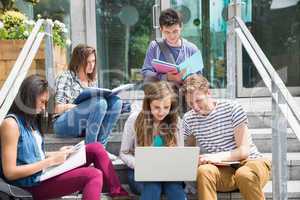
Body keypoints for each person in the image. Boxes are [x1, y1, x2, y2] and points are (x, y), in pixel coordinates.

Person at [0, 75, 129, 200]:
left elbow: (31, 155)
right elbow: (10, 172)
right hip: (31, 185)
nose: (44, 108)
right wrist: (51, 161)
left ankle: (118, 193)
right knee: (93, 175)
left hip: (42, 173)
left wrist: (58, 154)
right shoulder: (11, 124)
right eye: (42, 102)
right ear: (29, 97)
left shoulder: (31, 121)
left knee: (95, 148)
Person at [181, 74, 271, 200]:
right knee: (204, 171)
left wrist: (213, 157)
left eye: (198, 100)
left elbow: (243, 151)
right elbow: (189, 153)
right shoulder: (189, 119)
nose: (195, 107)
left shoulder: (232, 108)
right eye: (190, 103)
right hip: (223, 171)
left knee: (244, 174)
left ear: (208, 93)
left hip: (251, 163)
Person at [119, 81, 186, 200]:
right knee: (152, 186)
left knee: (175, 188)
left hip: (168, 174)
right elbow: (124, 153)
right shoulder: (134, 119)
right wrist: (139, 165)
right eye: (156, 107)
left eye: (166, 107)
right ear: (148, 104)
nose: (161, 112)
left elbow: (180, 153)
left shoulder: (176, 121)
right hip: (140, 173)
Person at [53, 44, 122, 159]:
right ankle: (90, 151)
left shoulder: (92, 81)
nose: (91, 65)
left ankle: (100, 149)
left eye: (93, 61)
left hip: (85, 124)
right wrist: (78, 107)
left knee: (116, 102)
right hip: (64, 123)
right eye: (87, 62)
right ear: (78, 62)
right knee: (100, 103)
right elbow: (56, 108)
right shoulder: (66, 77)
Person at [141, 8, 202, 83]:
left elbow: (199, 78)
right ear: (161, 29)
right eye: (167, 32)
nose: (171, 36)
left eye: (175, 31)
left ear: (181, 27)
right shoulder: (155, 47)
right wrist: (165, 77)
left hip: (185, 93)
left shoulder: (192, 49)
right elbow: (145, 72)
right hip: (162, 94)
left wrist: (189, 79)